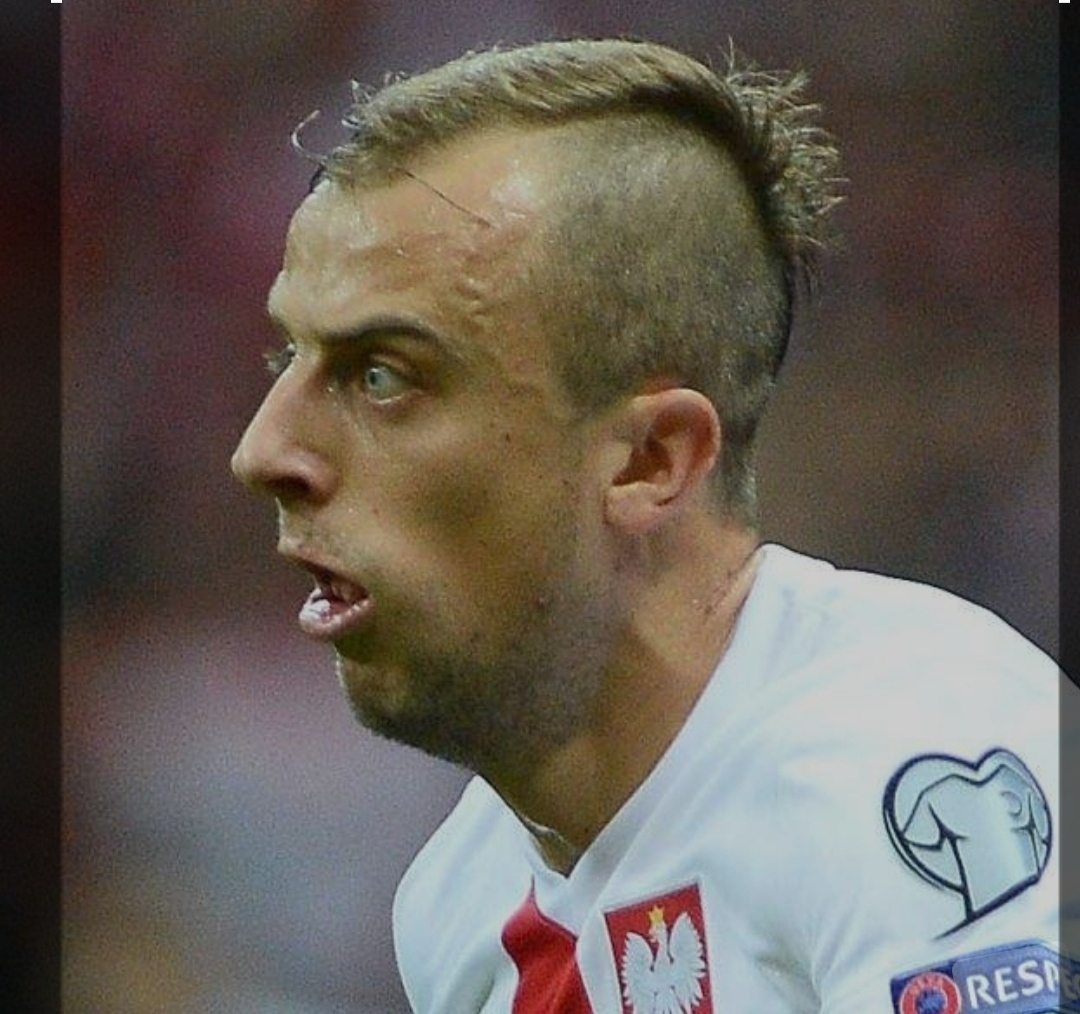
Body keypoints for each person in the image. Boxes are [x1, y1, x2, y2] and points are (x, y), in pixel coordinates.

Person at [231, 38, 1074, 1014]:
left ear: (650, 461)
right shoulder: (459, 904)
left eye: (383, 375)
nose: (264, 451)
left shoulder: (916, 766)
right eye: (289, 359)